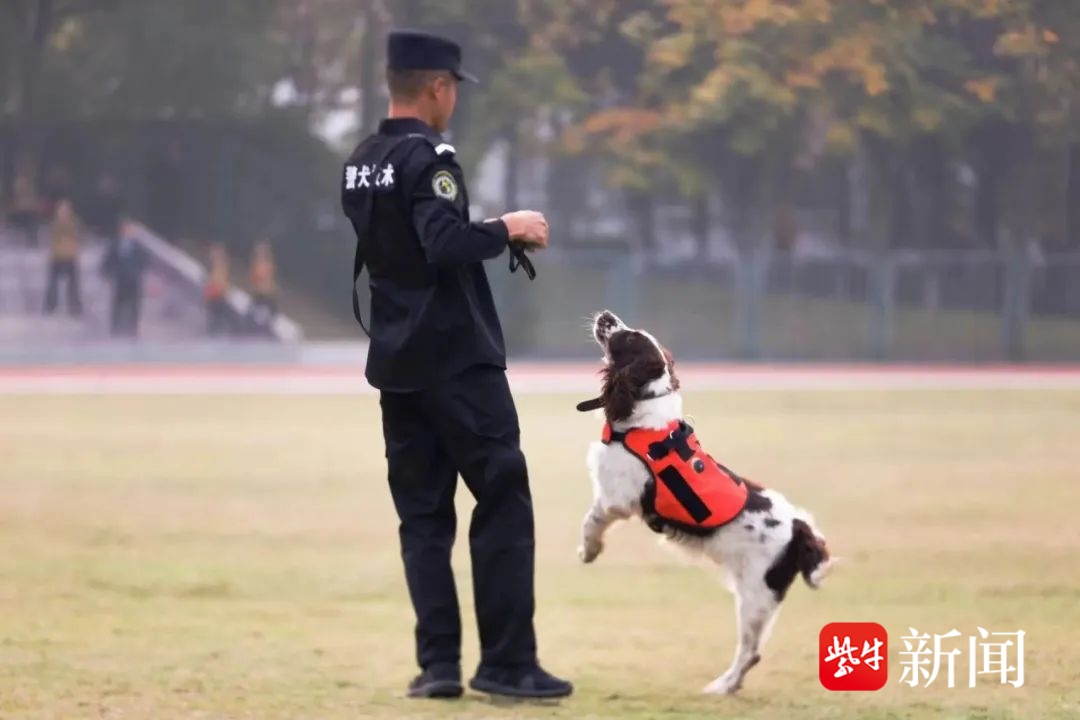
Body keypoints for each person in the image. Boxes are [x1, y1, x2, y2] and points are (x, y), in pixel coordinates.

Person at [340, 31, 569, 700]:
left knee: (423, 519)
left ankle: (437, 666)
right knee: (502, 499)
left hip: (396, 365)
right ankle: (506, 664)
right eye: (453, 91)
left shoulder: (361, 161)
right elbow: (441, 243)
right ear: (438, 88)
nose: (454, 104)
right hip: (457, 363)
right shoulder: (430, 156)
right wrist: (508, 228)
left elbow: (393, 248)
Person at [100, 219, 147, 337]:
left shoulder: (138, 246)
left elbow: (144, 260)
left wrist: (139, 271)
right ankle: (115, 328)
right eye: (125, 229)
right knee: (117, 304)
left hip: (133, 279)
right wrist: (107, 272)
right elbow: (108, 260)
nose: (128, 232)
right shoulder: (115, 244)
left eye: (130, 230)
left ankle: (133, 328)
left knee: (134, 305)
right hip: (120, 279)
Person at [43, 199, 83, 316]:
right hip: (57, 256)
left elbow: (78, 238)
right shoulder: (54, 224)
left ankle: (75, 306)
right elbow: (51, 240)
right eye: (61, 210)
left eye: (65, 210)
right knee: (52, 283)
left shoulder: (75, 223)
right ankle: (50, 305)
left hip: (70, 256)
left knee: (73, 284)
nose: (63, 213)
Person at [248, 239, 278, 328]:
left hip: (266, 293)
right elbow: (254, 279)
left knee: (269, 311)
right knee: (253, 311)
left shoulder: (268, 264)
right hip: (259, 293)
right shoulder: (256, 264)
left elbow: (269, 278)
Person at [204, 242, 232, 336]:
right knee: (213, 317)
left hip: (219, 295)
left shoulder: (222, 265)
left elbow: (224, 281)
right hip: (212, 295)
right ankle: (212, 332)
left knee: (219, 316)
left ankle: (218, 332)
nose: (214, 255)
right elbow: (208, 281)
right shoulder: (211, 266)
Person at [7, 174, 40, 246]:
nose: (21, 186)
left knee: (32, 218)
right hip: (18, 216)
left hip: (28, 216)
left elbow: (34, 206)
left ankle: (32, 242)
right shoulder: (13, 197)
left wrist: (28, 206)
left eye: (23, 184)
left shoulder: (31, 194)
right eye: (19, 184)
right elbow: (13, 208)